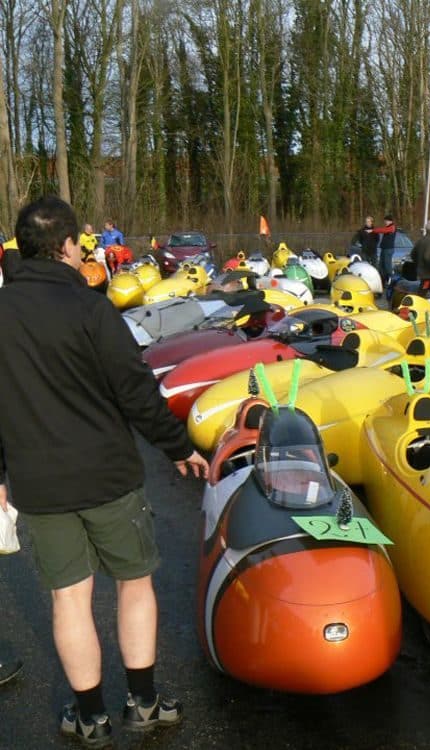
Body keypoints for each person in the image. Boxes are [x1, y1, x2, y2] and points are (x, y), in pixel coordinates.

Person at [0, 196, 209, 747]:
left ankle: (89, 716)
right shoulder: (93, 310)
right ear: (69, 246)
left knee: (69, 597)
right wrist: (177, 447)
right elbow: (136, 393)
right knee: (134, 584)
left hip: (40, 484)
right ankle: (143, 703)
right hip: (107, 475)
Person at [412, 219, 430, 297]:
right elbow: (427, 257)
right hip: (428, 274)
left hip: (422, 271)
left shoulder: (420, 240)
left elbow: (413, 254)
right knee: (423, 291)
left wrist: (419, 263)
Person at [372, 214, 397, 282]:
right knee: (381, 266)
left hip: (388, 249)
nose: (385, 222)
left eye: (386, 221)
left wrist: (373, 230)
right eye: (385, 221)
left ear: (390, 221)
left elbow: (383, 230)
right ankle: (383, 281)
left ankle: (392, 280)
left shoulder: (392, 227)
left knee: (387, 266)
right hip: (384, 249)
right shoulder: (388, 227)